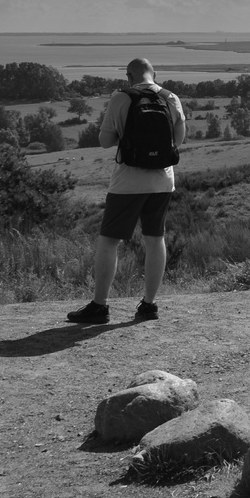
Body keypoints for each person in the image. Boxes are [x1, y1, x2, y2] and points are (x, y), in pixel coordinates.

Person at [67, 58, 187, 324]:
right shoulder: (171, 97)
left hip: (127, 183)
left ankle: (100, 306)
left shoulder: (122, 98)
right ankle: (149, 306)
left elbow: (104, 141)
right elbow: (177, 141)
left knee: (109, 241)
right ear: (155, 74)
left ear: (129, 77)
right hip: (162, 181)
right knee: (155, 239)